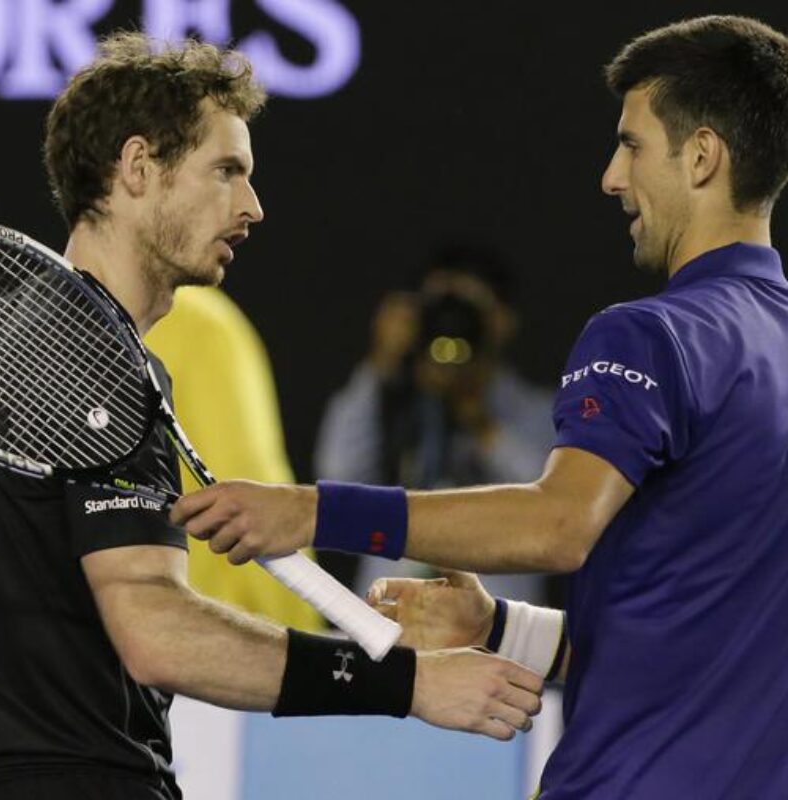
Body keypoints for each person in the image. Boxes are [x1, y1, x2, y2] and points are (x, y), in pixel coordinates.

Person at [172, 15, 788, 798]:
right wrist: (498, 627)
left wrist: (311, 511)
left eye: (632, 145)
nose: (611, 176)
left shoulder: (651, 335)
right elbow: (700, 638)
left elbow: (557, 526)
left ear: (702, 157)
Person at [0, 33, 545, 800]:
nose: (252, 205)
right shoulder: (93, 358)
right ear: (138, 167)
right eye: (226, 171)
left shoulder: (36, 339)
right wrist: (408, 682)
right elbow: (157, 632)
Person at [315, 247, 552, 599]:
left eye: (469, 308)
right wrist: (380, 366)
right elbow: (336, 475)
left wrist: (477, 415)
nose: (452, 321)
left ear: (503, 320)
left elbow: (551, 501)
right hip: (387, 622)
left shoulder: (540, 409)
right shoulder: (389, 399)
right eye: (440, 307)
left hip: (490, 630)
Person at [145, 285, 323, 630]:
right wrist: (296, 638)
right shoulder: (202, 322)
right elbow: (249, 485)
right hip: (215, 637)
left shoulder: (44, 319)